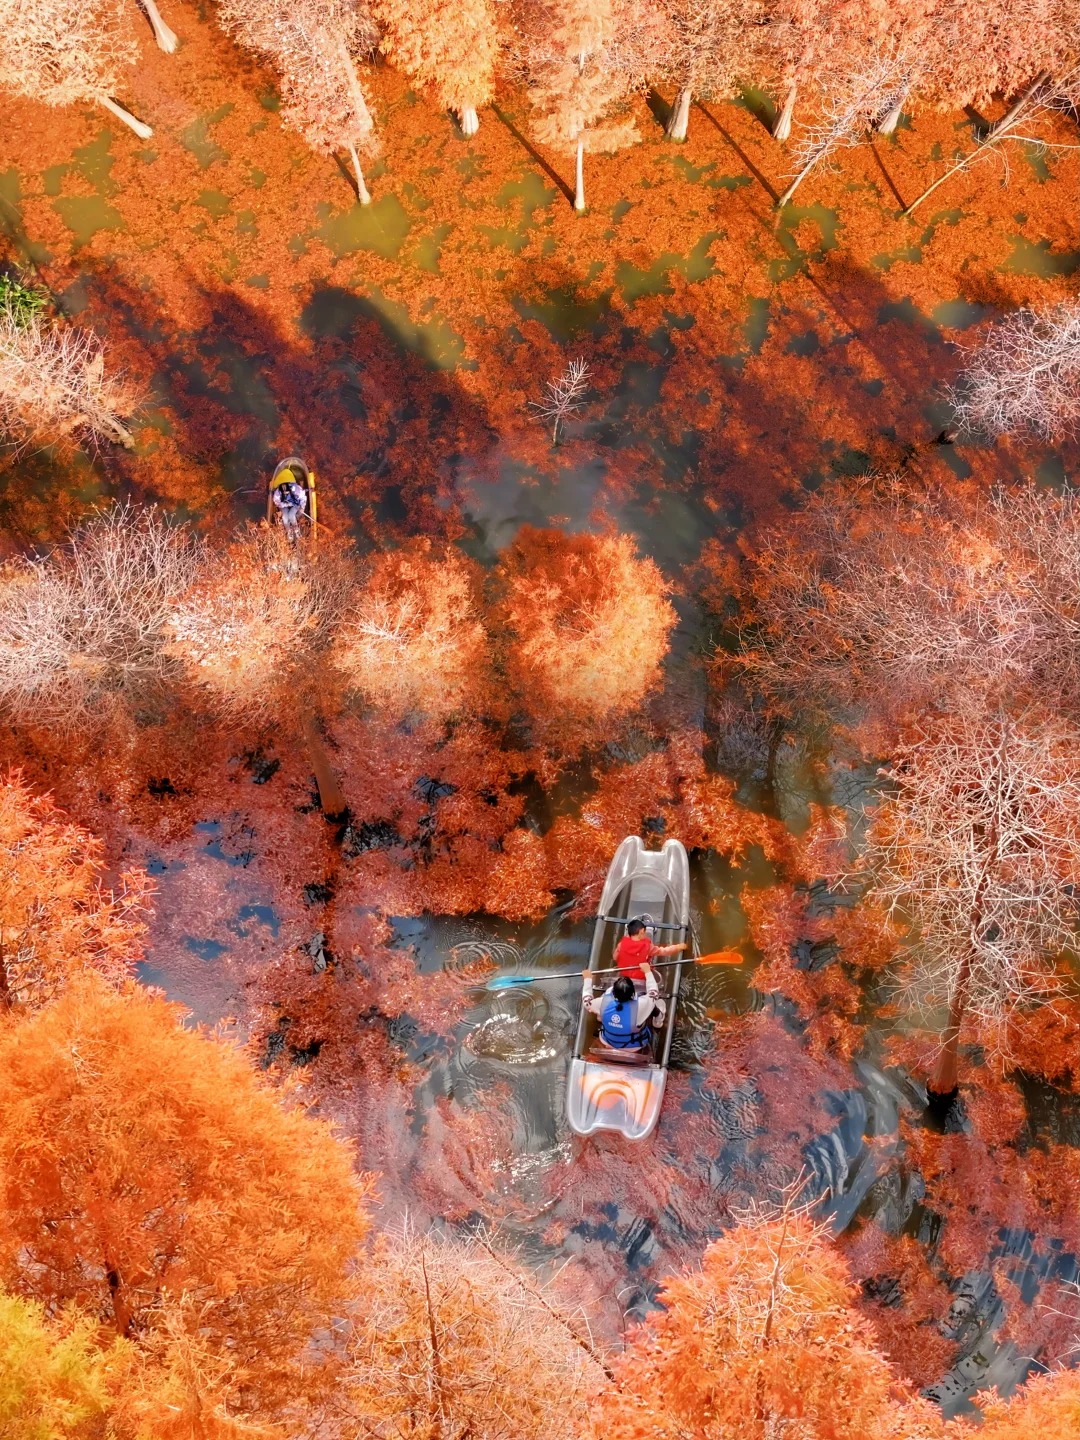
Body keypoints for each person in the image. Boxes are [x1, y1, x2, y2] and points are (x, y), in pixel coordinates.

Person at [583, 972, 664, 1052]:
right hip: (634, 1046)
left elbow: (586, 1001)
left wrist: (587, 979)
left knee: (600, 1011)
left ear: (614, 993)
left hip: (607, 1041)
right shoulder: (641, 1004)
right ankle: (658, 1022)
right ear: (632, 993)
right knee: (656, 1004)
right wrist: (647, 971)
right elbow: (654, 993)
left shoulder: (601, 1002)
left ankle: (601, 1019)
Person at [615, 916, 686, 988]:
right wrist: (678, 947)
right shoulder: (648, 947)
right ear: (642, 931)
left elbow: (615, 957)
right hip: (641, 977)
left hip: (625, 975)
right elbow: (663, 951)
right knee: (648, 938)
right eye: (644, 932)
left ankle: (639, 927)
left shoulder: (620, 945)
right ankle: (650, 928)